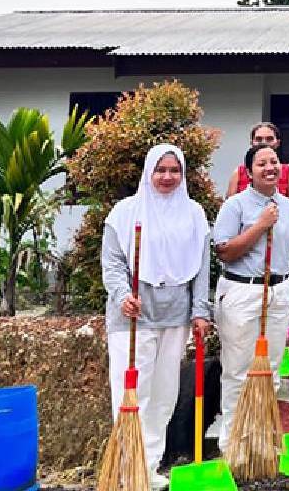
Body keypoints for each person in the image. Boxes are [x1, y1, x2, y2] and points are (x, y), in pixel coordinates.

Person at [102, 144, 210, 490]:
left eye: (174, 170)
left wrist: (200, 311)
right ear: (148, 171)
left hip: (175, 315)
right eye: (160, 170)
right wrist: (122, 296)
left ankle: (149, 468)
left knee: (164, 395)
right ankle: (126, 471)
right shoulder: (125, 213)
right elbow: (114, 262)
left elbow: (201, 269)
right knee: (131, 395)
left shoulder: (193, 214)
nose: (167, 177)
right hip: (133, 316)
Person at [212, 144, 289, 452]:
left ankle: (263, 440)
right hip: (243, 290)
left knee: (272, 369)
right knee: (239, 371)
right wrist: (260, 226)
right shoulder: (235, 206)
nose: (270, 168)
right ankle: (234, 443)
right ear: (249, 172)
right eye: (261, 163)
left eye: (274, 162)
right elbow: (225, 252)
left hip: (279, 291)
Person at [227, 122, 289, 202]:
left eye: (269, 139)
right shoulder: (239, 173)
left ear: (277, 143)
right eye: (259, 139)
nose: (264, 142)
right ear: (251, 142)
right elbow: (230, 207)